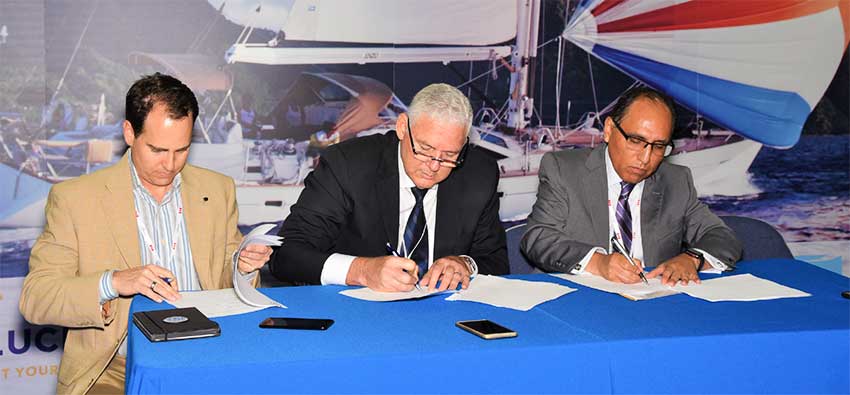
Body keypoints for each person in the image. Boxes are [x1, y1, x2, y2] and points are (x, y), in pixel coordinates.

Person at [19, 73, 272, 395]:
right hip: (116, 371)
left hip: (211, 357)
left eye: (182, 150)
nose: (170, 164)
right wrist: (112, 283)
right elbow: (36, 297)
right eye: (157, 150)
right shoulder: (74, 199)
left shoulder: (217, 189)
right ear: (129, 132)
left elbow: (228, 278)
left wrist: (243, 268)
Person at [270, 83, 508, 291]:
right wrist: (362, 271)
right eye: (424, 149)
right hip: (355, 315)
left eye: (449, 156)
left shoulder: (479, 174)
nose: (434, 166)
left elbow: (496, 263)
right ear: (403, 128)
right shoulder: (348, 164)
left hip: (443, 319)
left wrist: (465, 264)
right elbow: (288, 255)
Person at [521, 87, 741, 285]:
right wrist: (599, 263)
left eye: (658, 146)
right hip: (574, 301)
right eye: (635, 141)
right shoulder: (563, 170)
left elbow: (721, 236)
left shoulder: (676, 181)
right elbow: (538, 237)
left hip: (649, 306)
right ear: (608, 130)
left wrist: (692, 259)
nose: (645, 159)